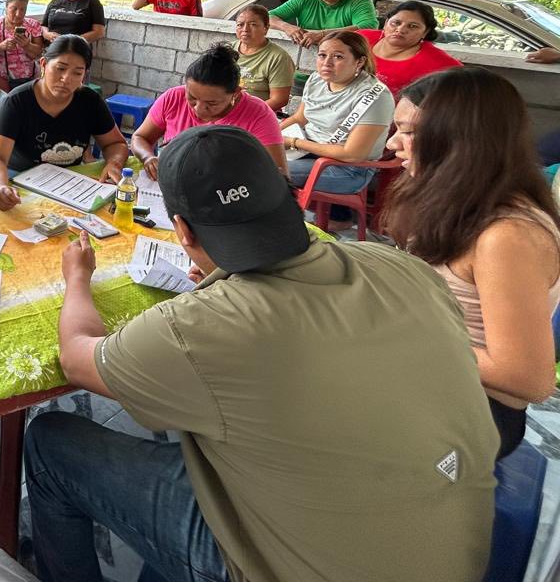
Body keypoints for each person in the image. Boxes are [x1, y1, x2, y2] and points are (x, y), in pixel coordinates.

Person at [27, 124, 498, 582]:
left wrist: (78, 277)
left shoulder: (198, 328)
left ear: (183, 231)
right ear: (290, 193)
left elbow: (77, 356)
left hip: (288, 569)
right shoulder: (401, 267)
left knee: (50, 442)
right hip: (456, 553)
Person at [384, 68, 560, 459]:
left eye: (409, 132)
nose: (393, 143)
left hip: (475, 411)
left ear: (460, 141)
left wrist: (397, 334)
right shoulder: (457, 203)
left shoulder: (507, 234)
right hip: (430, 380)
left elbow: (528, 378)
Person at [0, 36, 129, 211]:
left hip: (70, 182)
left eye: (77, 73)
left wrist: (114, 163)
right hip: (22, 180)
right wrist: (0, 186)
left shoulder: (90, 101)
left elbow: (115, 143)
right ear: (44, 64)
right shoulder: (17, 101)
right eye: (60, 68)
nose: (66, 79)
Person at [280, 30, 395, 216]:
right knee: (251, 155)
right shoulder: (317, 79)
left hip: (348, 169)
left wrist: (293, 142)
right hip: (306, 151)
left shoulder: (375, 96)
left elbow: (352, 155)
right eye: (322, 55)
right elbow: (300, 118)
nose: (327, 63)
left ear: (359, 62)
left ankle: (282, 222)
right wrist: (270, 135)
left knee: (266, 170)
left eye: (338, 57)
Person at [132, 43, 286, 179]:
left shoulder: (258, 115)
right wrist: (147, 158)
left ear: (235, 93)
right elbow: (140, 137)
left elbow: (279, 176)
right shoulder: (173, 97)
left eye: (212, 103)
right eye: (192, 98)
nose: (199, 109)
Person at [359, 0, 461, 98]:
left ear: (425, 32)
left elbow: (465, 82)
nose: (401, 29)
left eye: (412, 26)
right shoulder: (362, 38)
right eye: (396, 23)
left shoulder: (435, 60)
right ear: (386, 23)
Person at [232, 2, 295, 112]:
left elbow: (279, 99)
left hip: (258, 114)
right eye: (240, 25)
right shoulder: (227, 50)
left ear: (266, 28)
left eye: (253, 25)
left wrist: (246, 113)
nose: (245, 29)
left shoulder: (278, 58)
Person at [0, 0, 44, 91]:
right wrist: (1, 46)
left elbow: (38, 54)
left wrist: (27, 45)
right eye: (14, 8)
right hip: (1, 78)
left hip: (30, 78)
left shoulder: (33, 25)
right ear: (6, 7)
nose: (18, 14)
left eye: (22, 9)